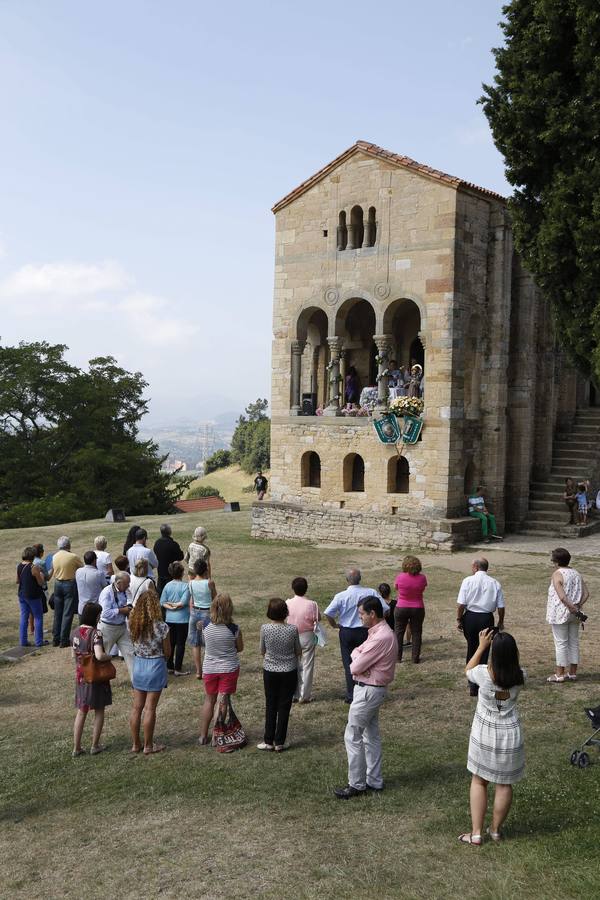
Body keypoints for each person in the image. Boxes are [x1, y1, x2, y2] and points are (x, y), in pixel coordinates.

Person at [459, 629, 525, 846]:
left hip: (485, 732)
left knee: (479, 780)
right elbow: (510, 677)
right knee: (504, 784)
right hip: (510, 734)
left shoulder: (483, 675)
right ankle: (495, 830)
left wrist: (481, 646)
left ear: (494, 654)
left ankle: (476, 832)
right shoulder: (520, 676)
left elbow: (467, 669)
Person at [334, 597, 398, 799]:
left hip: (368, 690)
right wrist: (357, 656)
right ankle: (374, 779)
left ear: (372, 614)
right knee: (370, 736)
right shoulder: (378, 633)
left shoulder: (380, 637)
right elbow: (357, 653)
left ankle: (357, 784)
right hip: (370, 688)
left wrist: (358, 658)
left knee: (352, 735)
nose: (359, 617)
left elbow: (354, 666)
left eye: (361, 613)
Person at [324, 568, 389, 703]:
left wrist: (335, 625)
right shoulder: (370, 592)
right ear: (360, 578)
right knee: (368, 661)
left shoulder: (341, 596)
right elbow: (385, 609)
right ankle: (367, 690)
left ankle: (351, 695)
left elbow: (328, 613)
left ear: (347, 580)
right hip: (366, 631)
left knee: (349, 663)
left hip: (347, 632)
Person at [198, 594, 244, 746]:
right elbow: (240, 648)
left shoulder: (204, 625)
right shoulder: (234, 629)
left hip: (210, 668)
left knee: (209, 700)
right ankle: (216, 736)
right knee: (222, 701)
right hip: (228, 668)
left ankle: (203, 736)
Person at [128, 589, 171, 754]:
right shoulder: (161, 627)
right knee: (150, 708)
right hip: (155, 665)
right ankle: (148, 745)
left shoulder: (133, 624)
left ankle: (135, 744)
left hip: (139, 665)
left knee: (136, 707)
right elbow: (167, 652)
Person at [258, 598, 302, 751]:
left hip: (270, 670)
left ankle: (268, 740)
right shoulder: (292, 629)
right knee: (284, 705)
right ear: (285, 613)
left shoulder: (265, 628)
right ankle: (280, 742)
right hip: (289, 670)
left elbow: (262, 650)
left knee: (270, 704)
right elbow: (298, 651)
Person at [456, 559, 505, 696]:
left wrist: (459, 619)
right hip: (486, 618)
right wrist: (500, 621)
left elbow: (461, 604)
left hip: (470, 617)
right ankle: (480, 681)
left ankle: (472, 682)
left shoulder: (467, 581)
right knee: (484, 649)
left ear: (476, 567)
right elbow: (501, 607)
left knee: (472, 647)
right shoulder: (495, 583)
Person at [71, 601, 113, 757]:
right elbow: (99, 655)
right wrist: (110, 656)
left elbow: (73, 654)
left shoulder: (75, 632)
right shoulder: (96, 633)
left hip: (81, 676)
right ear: (95, 616)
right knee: (99, 709)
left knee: (82, 711)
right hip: (95, 676)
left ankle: (77, 747)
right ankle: (95, 745)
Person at [546, 547, 589, 683]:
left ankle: (559, 674)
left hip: (561, 613)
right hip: (575, 614)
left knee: (561, 643)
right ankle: (572, 673)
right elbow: (587, 593)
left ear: (556, 561)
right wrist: (577, 607)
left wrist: (572, 608)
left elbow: (562, 597)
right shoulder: (576, 573)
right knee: (574, 642)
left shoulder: (557, 574)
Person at [286, 577, 320, 703]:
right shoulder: (312, 604)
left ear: (293, 588)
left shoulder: (288, 602)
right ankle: (304, 695)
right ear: (306, 589)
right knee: (307, 665)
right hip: (306, 636)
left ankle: (293, 693)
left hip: (291, 635)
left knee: (292, 665)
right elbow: (317, 618)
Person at [97, 573, 135, 679]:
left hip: (122, 627)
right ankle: (98, 679)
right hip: (107, 628)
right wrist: (122, 610)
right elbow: (105, 613)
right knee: (101, 655)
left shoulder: (125, 589)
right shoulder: (106, 592)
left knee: (131, 653)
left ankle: (136, 681)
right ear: (118, 583)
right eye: (127, 584)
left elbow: (129, 601)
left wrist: (129, 607)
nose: (128, 586)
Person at [394, 556, 427, 664]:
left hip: (402, 606)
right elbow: (423, 588)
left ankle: (398, 657)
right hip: (417, 607)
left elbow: (396, 587)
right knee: (416, 633)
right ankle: (415, 658)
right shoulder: (422, 578)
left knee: (399, 632)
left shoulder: (400, 577)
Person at [52, 536, 83, 647]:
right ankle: (64, 639)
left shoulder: (54, 556)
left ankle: (56, 638)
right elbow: (82, 567)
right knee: (67, 613)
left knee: (58, 612)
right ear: (68, 545)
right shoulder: (73, 556)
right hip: (69, 583)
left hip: (57, 583)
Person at [160, 561, 190, 676]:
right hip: (182, 619)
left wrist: (170, 606)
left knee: (170, 642)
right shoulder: (185, 586)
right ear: (182, 573)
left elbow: (162, 602)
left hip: (169, 618)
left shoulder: (167, 585)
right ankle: (178, 668)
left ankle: (169, 666)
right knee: (180, 644)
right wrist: (175, 605)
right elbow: (183, 603)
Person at [187, 559, 216, 679]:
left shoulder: (191, 583)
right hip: (206, 613)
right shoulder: (209, 582)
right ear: (205, 570)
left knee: (195, 643)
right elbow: (215, 597)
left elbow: (192, 599)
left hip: (194, 613)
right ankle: (207, 670)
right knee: (208, 643)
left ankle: (199, 671)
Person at [16, 547, 47, 648]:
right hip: (33, 596)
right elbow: (40, 582)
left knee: (23, 618)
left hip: (22, 595)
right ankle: (39, 641)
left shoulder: (19, 566)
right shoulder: (33, 567)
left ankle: (23, 641)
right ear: (32, 556)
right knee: (38, 617)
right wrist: (41, 575)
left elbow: (17, 581)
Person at [153, 523, 184, 595]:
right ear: (170, 532)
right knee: (171, 595)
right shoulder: (173, 544)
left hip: (160, 572)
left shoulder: (157, 543)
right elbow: (181, 557)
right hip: (171, 574)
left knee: (160, 594)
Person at [75, 551, 106, 620]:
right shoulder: (99, 573)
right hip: (95, 610)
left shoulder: (78, 571)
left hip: (82, 609)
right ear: (94, 560)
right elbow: (105, 588)